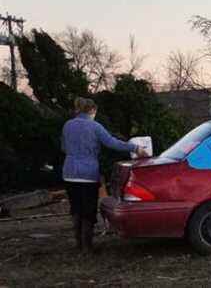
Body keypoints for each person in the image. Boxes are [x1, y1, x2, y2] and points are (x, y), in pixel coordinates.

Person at [61, 97, 147, 253]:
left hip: (69, 172)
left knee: (76, 208)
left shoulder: (68, 125)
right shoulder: (95, 126)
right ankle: (87, 247)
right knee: (88, 210)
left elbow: (64, 147)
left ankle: (78, 244)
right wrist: (135, 148)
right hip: (87, 173)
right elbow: (112, 142)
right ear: (92, 110)